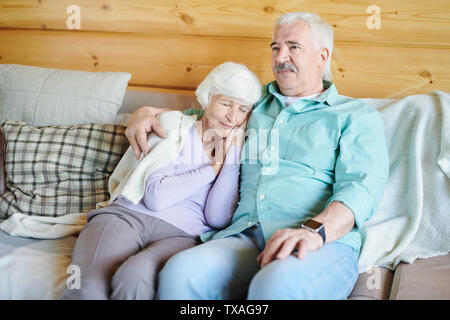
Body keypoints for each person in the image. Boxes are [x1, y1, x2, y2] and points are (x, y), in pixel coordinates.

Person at [125, 12, 389, 300]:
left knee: (274, 286)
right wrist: (143, 114)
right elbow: (199, 119)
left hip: (318, 241)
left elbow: (360, 189)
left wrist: (314, 231)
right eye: (275, 47)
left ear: (322, 56)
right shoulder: (253, 104)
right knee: (180, 272)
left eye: (293, 47)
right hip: (244, 237)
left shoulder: (355, 116)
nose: (280, 56)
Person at [59, 62, 262, 300]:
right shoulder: (174, 125)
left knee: (135, 276)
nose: (232, 116)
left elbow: (217, 218)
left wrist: (230, 158)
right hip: (127, 216)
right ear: (208, 99)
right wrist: (212, 168)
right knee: (89, 286)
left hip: (183, 234)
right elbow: (157, 196)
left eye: (242, 109)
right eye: (226, 104)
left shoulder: (236, 150)